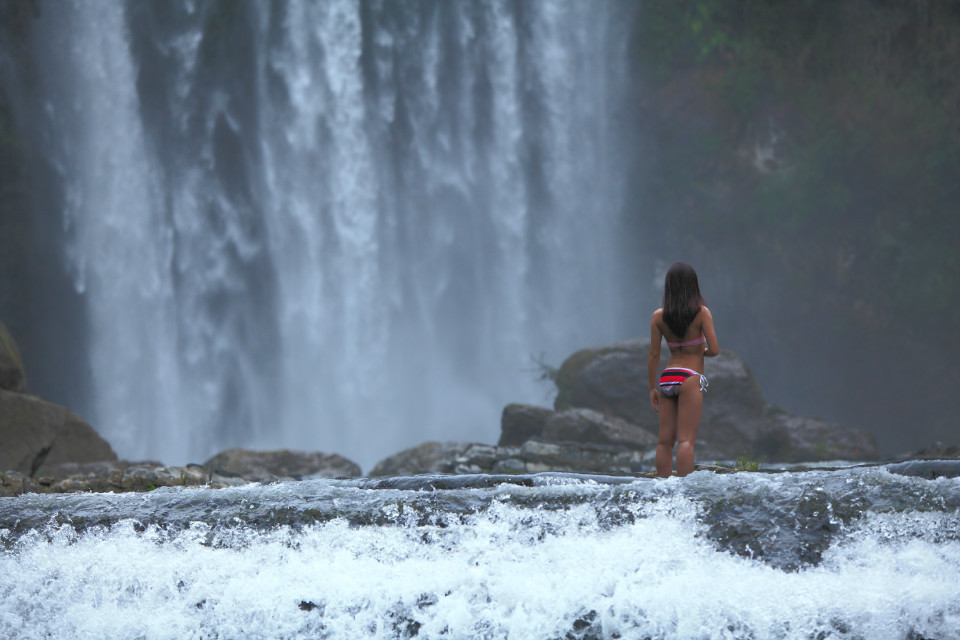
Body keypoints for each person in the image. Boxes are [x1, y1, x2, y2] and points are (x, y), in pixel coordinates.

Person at [647, 262, 719, 478]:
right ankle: (685, 490)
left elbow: (654, 355)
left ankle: (663, 488)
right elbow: (714, 350)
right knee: (686, 440)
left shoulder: (659, 316)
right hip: (689, 377)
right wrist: (698, 352)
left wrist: (652, 387)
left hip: (668, 377)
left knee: (664, 441)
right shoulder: (701, 313)